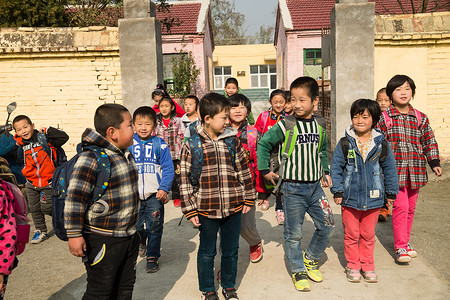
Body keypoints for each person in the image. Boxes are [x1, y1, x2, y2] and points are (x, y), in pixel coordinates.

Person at [257, 76, 334, 292]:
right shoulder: (285, 124)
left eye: (302, 100)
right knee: (293, 234)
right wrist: (264, 170)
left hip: (316, 189)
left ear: (315, 101)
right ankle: (298, 270)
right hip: (291, 189)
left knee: (328, 224)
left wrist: (325, 171)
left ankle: (310, 258)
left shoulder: (320, 123)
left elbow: (321, 150)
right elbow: (263, 144)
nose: (297, 105)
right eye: (293, 100)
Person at [179, 93, 256, 300]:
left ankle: (229, 286)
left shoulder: (232, 141)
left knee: (231, 250)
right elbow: (185, 181)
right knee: (207, 252)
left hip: (233, 207)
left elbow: (244, 170)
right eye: (223, 117)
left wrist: (248, 197)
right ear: (207, 119)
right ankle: (208, 289)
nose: (227, 121)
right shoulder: (192, 146)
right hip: (205, 209)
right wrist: (189, 209)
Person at [64, 103, 140, 299]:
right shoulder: (92, 158)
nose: (135, 129)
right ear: (112, 132)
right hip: (103, 239)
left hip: (128, 236)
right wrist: (74, 235)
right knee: (100, 291)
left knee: (125, 288)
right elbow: (75, 199)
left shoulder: (124, 154)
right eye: (130, 125)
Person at [330, 99, 399, 283]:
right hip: (349, 198)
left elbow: (390, 169)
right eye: (356, 116)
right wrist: (337, 191)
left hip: (374, 199)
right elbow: (336, 167)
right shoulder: (345, 143)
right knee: (351, 234)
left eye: (365, 117)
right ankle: (353, 265)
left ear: (374, 119)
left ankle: (367, 265)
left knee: (368, 235)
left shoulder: (381, 144)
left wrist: (391, 193)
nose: (359, 120)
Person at [376, 75, 442, 263]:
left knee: (411, 209)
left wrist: (434, 162)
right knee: (400, 207)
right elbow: (378, 143)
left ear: (412, 91)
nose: (403, 93)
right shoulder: (384, 118)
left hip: (416, 170)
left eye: (407, 88)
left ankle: (405, 241)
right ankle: (400, 247)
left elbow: (429, 141)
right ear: (390, 94)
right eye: (398, 89)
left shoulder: (420, 117)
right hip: (394, 172)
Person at [129, 106, 174, 273]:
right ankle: (142, 241)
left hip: (155, 195)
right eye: (139, 124)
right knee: (137, 226)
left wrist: (164, 188)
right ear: (133, 125)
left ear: (154, 126)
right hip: (133, 196)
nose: (143, 127)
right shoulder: (129, 145)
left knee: (155, 226)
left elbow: (168, 169)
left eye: (147, 124)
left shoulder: (159, 145)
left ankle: (152, 256)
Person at [13, 115, 69, 244]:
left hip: (48, 181)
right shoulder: (20, 145)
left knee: (47, 207)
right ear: (16, 132)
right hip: (31, 182)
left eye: (25, 127)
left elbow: (64, 138)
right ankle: (40, 230)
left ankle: (65, 220)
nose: (23, 131)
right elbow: (18, 159)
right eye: (19, 130)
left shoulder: (44, 138)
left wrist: (48, 130)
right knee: (34, 209)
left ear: (32, 126)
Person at [228, 94, 263, 263]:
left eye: (242, 107)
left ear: (248, 111)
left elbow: (258, 162)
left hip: (246, 185)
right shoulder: (220, 130)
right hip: (225, 185)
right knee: (225, 228)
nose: (237, 110)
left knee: (246, 224)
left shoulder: (253, 133)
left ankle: (255, 242)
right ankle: (227, 262)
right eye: (233, 107)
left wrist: (260, 189)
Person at [254, 89, 287, 224]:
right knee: (265, 175)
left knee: (280, 179)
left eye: (281, 102)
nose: (278, 105)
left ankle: (280, 208)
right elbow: (255, 132)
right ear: (270, 102)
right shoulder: (263, 116)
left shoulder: (288, 118)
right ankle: (266, 196)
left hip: (282, 153)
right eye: (275, 102)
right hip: (267, 151)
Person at [156, 97, 184, 208]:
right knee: (162, 175)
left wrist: (182, 153)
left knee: (176, 177)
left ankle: (177, 196)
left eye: (166, 106)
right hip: (161, 155)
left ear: (172, 107)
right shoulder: (156, 122)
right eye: (161, 106)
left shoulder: (177, 121)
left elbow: (182, 136)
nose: (164, 109)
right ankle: (163, 194)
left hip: (175, 154)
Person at [375, 87, 393, 222]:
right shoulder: (374, 116)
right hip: (378, 155)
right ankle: (382, 207)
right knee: (379, 182)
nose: (383, 103)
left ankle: (386, 206)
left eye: (386, 100)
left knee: (388, 182)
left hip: (391, 156)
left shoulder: (393, 117)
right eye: (380, 100)